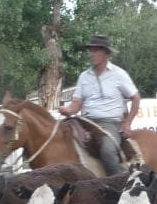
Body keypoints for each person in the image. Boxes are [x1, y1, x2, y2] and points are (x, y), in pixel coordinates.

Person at [59, 35, 141, 175]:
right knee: (60, 137)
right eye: (91, 50)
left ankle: (118, 183)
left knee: (107, 151)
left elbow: (136, 98)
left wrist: (127, 124)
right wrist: (67, 110)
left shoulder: (119, 74)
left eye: (96, 50)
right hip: (85, 121)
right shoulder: (84, 76)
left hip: (110, 123)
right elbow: (77, 103)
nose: (92, 54)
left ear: (106, 54)